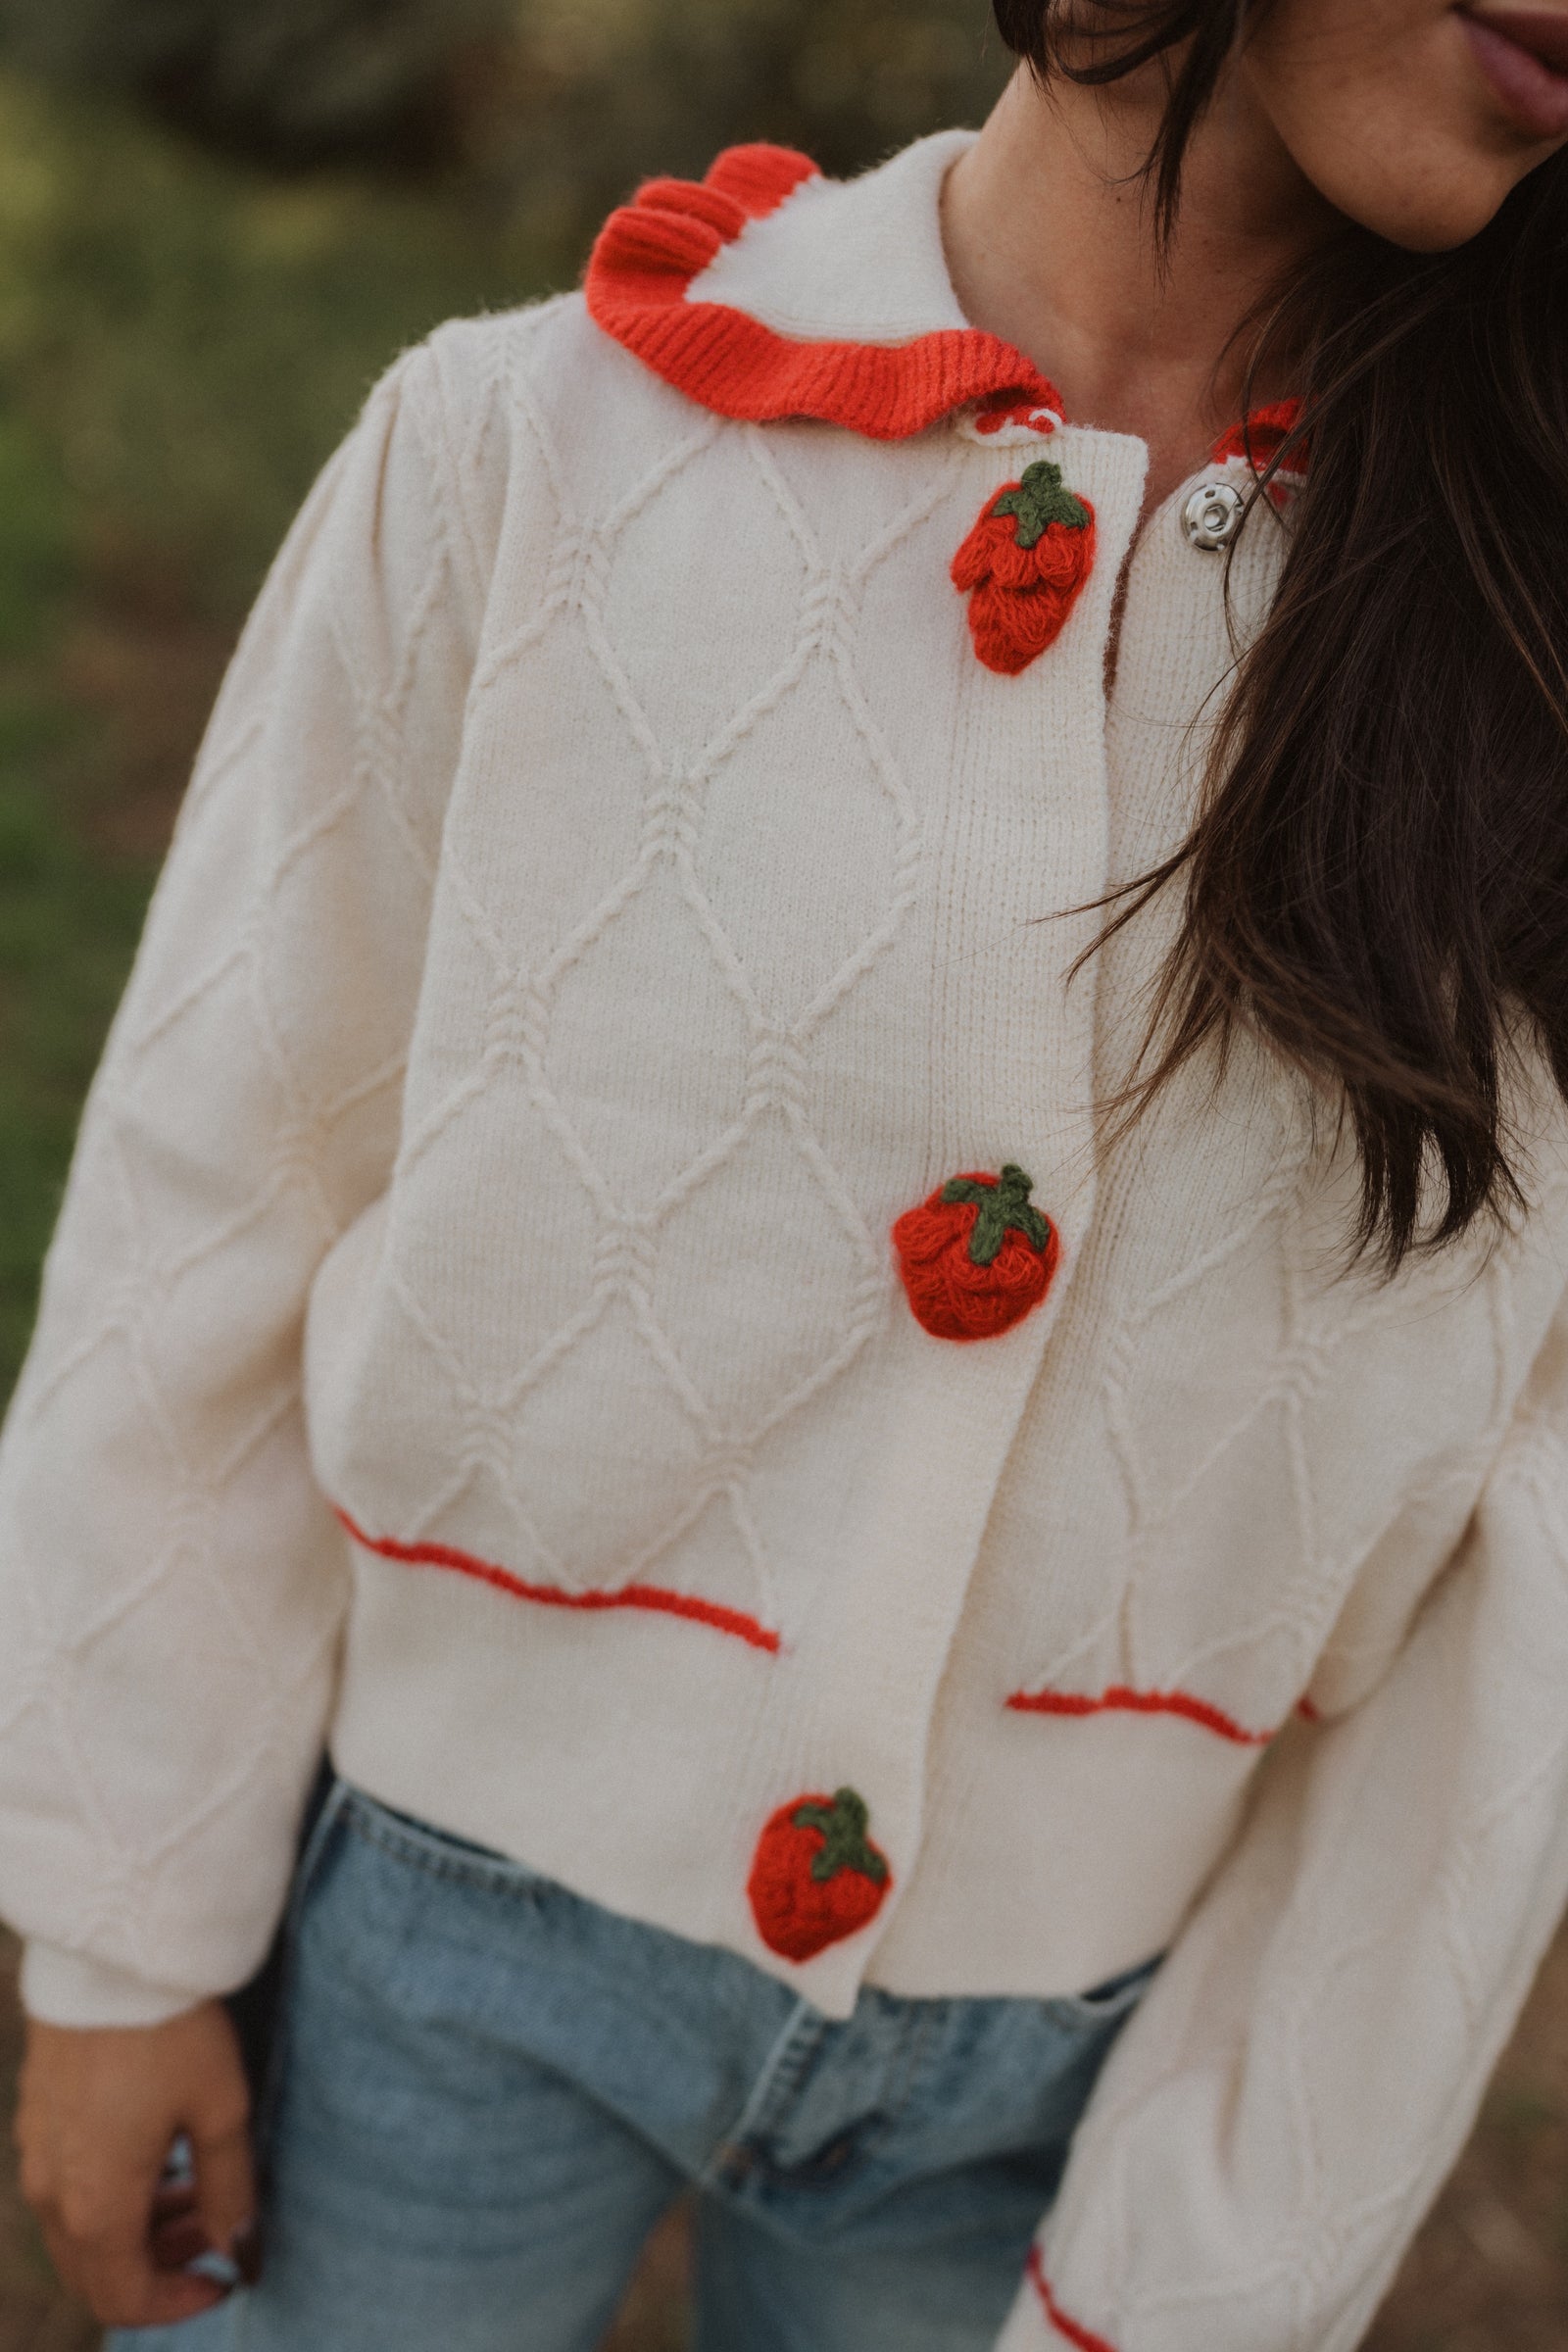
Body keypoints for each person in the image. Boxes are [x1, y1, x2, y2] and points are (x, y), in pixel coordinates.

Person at [7, 1, 1568, 2345]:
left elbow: (1523, 1553)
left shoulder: (1522, 652)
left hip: (1050, 2071)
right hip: (440, 1931)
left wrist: (1208, 2266)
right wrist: (121, 1932)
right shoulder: (529, 448)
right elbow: (214, 1193)